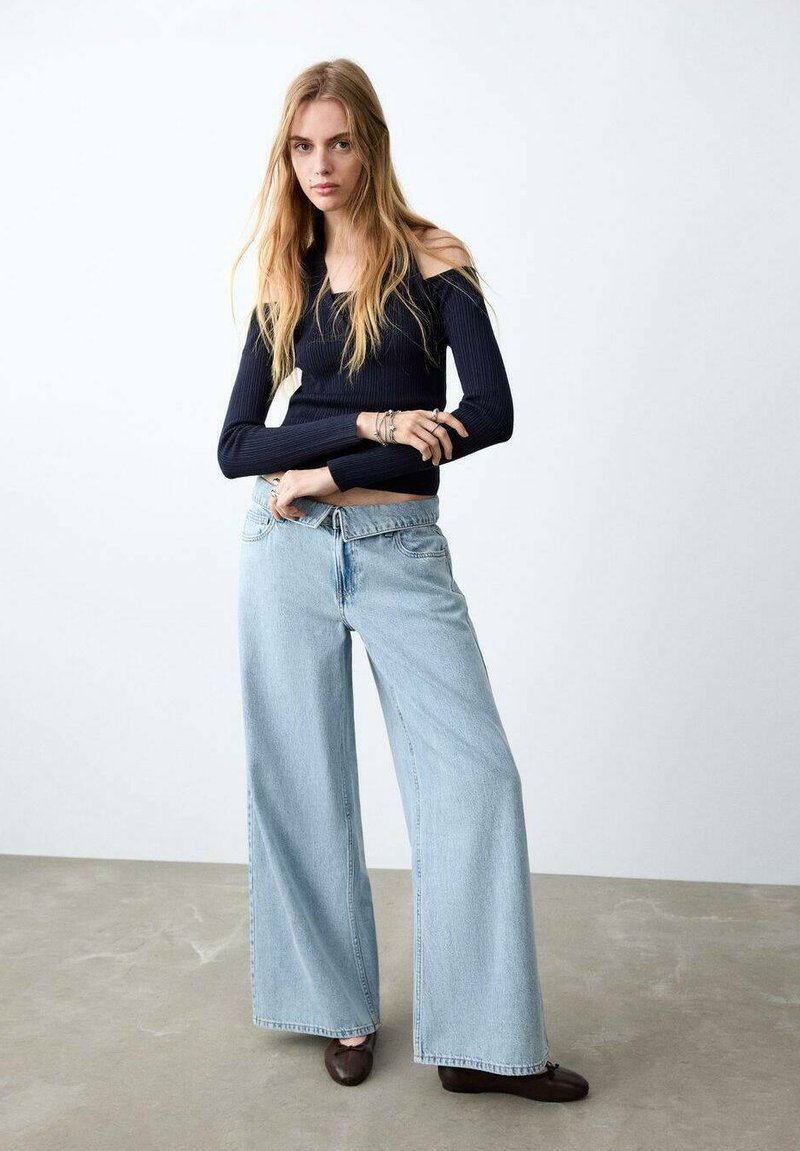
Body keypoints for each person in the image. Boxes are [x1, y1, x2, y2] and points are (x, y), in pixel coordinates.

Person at [218, 58, 589, 1103]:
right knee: (302, 779)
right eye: (303, 146)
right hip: (285, 550)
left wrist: (329, 470)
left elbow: (490, 413)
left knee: (475, 777)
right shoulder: (287, 276)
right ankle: (336, 1005)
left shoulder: (434, 262)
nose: (321, 165)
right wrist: (372, 423)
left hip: (397, 549)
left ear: (370, 145)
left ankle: (480, 1038)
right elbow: (238, 445)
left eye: (339, 142)